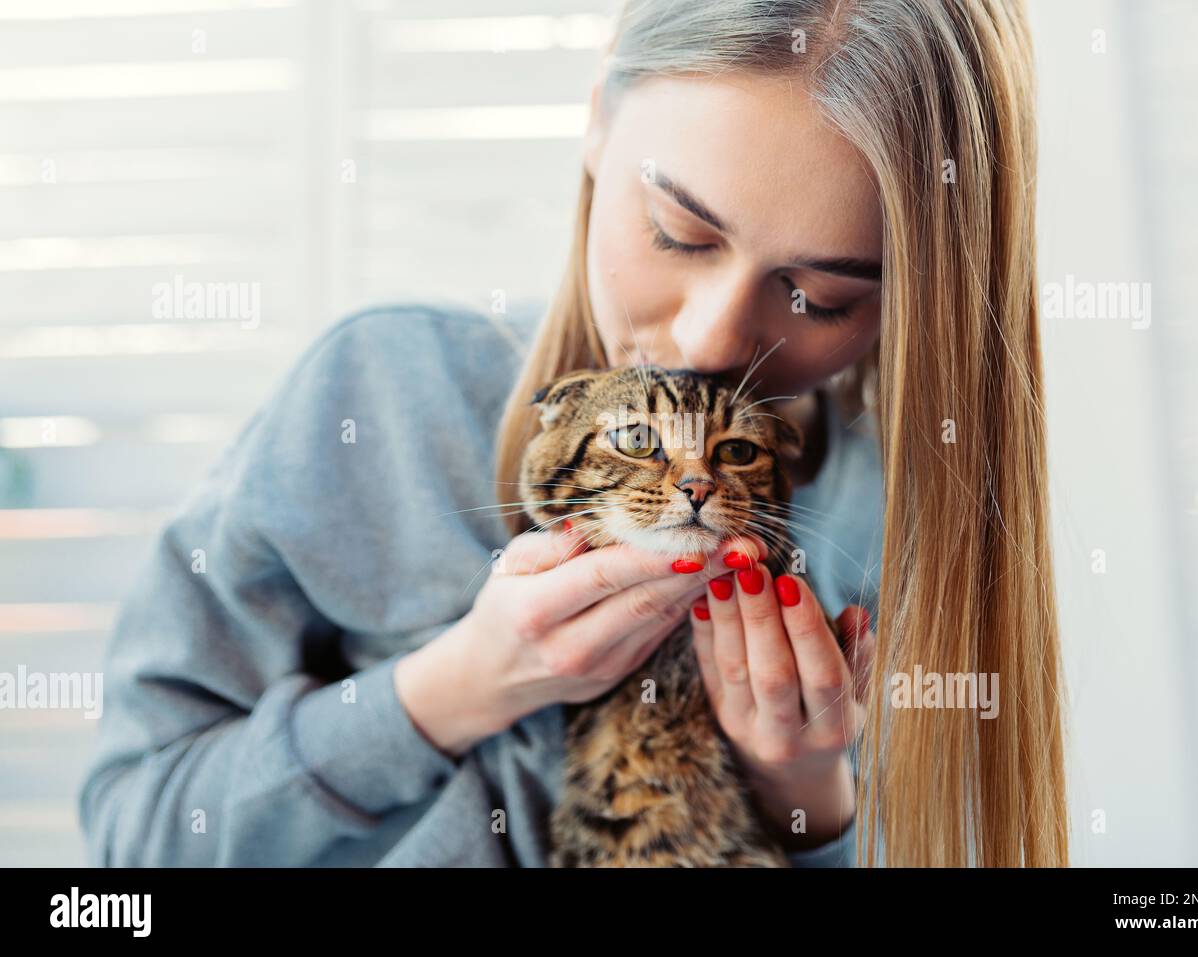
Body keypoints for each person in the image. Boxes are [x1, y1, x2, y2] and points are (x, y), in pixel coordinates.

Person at [80, 0, 1068, 868]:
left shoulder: (883, 502)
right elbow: (135, 836)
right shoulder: (385, 391)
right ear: (598, 119)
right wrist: (452, 690)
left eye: (818, 295)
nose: (709, 338)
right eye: (679, 234)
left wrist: (805, 792)